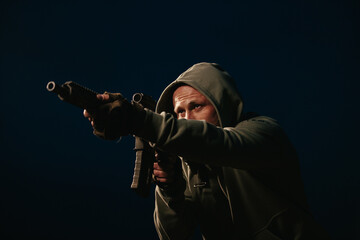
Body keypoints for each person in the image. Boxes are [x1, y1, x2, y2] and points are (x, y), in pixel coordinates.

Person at [83, 62, 330, 239]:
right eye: (180, 112)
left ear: (222, 105)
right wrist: (171, 190)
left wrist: (139, 121)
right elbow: (173, 235)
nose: (186, 118)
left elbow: (218, 143)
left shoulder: (263, 133)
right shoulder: (187, 165)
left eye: (197, 106)